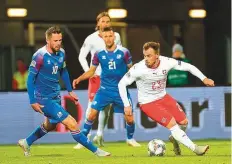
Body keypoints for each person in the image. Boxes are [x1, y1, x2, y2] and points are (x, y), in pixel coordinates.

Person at [18, 26, 110, 157]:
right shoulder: (39, 56)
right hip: (44, 98)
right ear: (48, 40)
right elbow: (30, 79)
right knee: (72, 123)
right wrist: (32, 101)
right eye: (55, 40)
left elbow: (64, 71)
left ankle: (26, 142)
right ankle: (97, 151)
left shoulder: (61, 52)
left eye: (60, 40)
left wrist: (70, 90)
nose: (58, 43)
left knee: (50, 126)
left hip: (56, 95)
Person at [118, 42, 215, 156]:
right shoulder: (138, 68)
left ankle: (175, 139)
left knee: (183, 123)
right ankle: (196, 148)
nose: (146, 59)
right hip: (148, 103)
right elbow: (121, 84)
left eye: (149, 56)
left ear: (157, 55)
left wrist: (204, 78)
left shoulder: (167, 62)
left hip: (163, 97)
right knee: (172, 124)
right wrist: (127, 104)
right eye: (144, 55)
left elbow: (188, 67)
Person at [73, 27, 140, 148]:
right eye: (105, 37)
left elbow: (131, 68)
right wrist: (79, 78)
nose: (108, 39)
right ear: (102, 38)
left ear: (114, 37)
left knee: (129, 118)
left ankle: (130, 139)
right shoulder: (99, 53)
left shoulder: (124, 52)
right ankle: (82, 139)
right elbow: (91, 71)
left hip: (121, 91)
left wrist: (140, 77)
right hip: (104, 90)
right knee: (91, 114)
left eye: (110, 36)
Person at [75, 11, 122, 148]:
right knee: (91, 106)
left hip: (110, 77)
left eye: (107, 21)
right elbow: (81, 56)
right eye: (103, 21)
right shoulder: (91, 39)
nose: (105, 24)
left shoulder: (116, 36)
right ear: (98, 23)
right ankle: (85, 137)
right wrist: (89, 72)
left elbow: (118, 54)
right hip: (96, 77)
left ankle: (100, 135)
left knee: (106, 108)